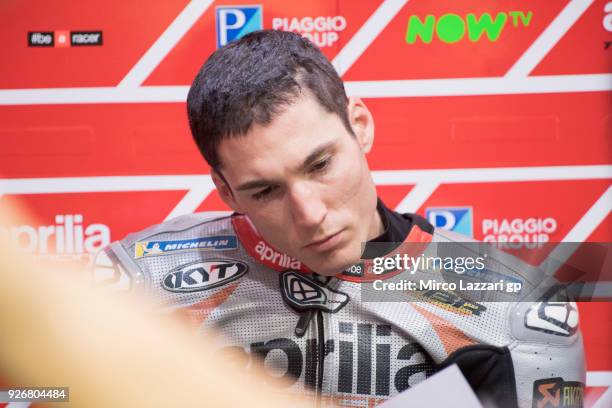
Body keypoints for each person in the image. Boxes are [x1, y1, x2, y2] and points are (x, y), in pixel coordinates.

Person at [93, 30, 585, 407]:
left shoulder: (511, 311)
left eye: (320, 165)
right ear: (225, 191)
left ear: (361, 128)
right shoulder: (138, 282)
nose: (309, 215)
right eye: (265, 190)